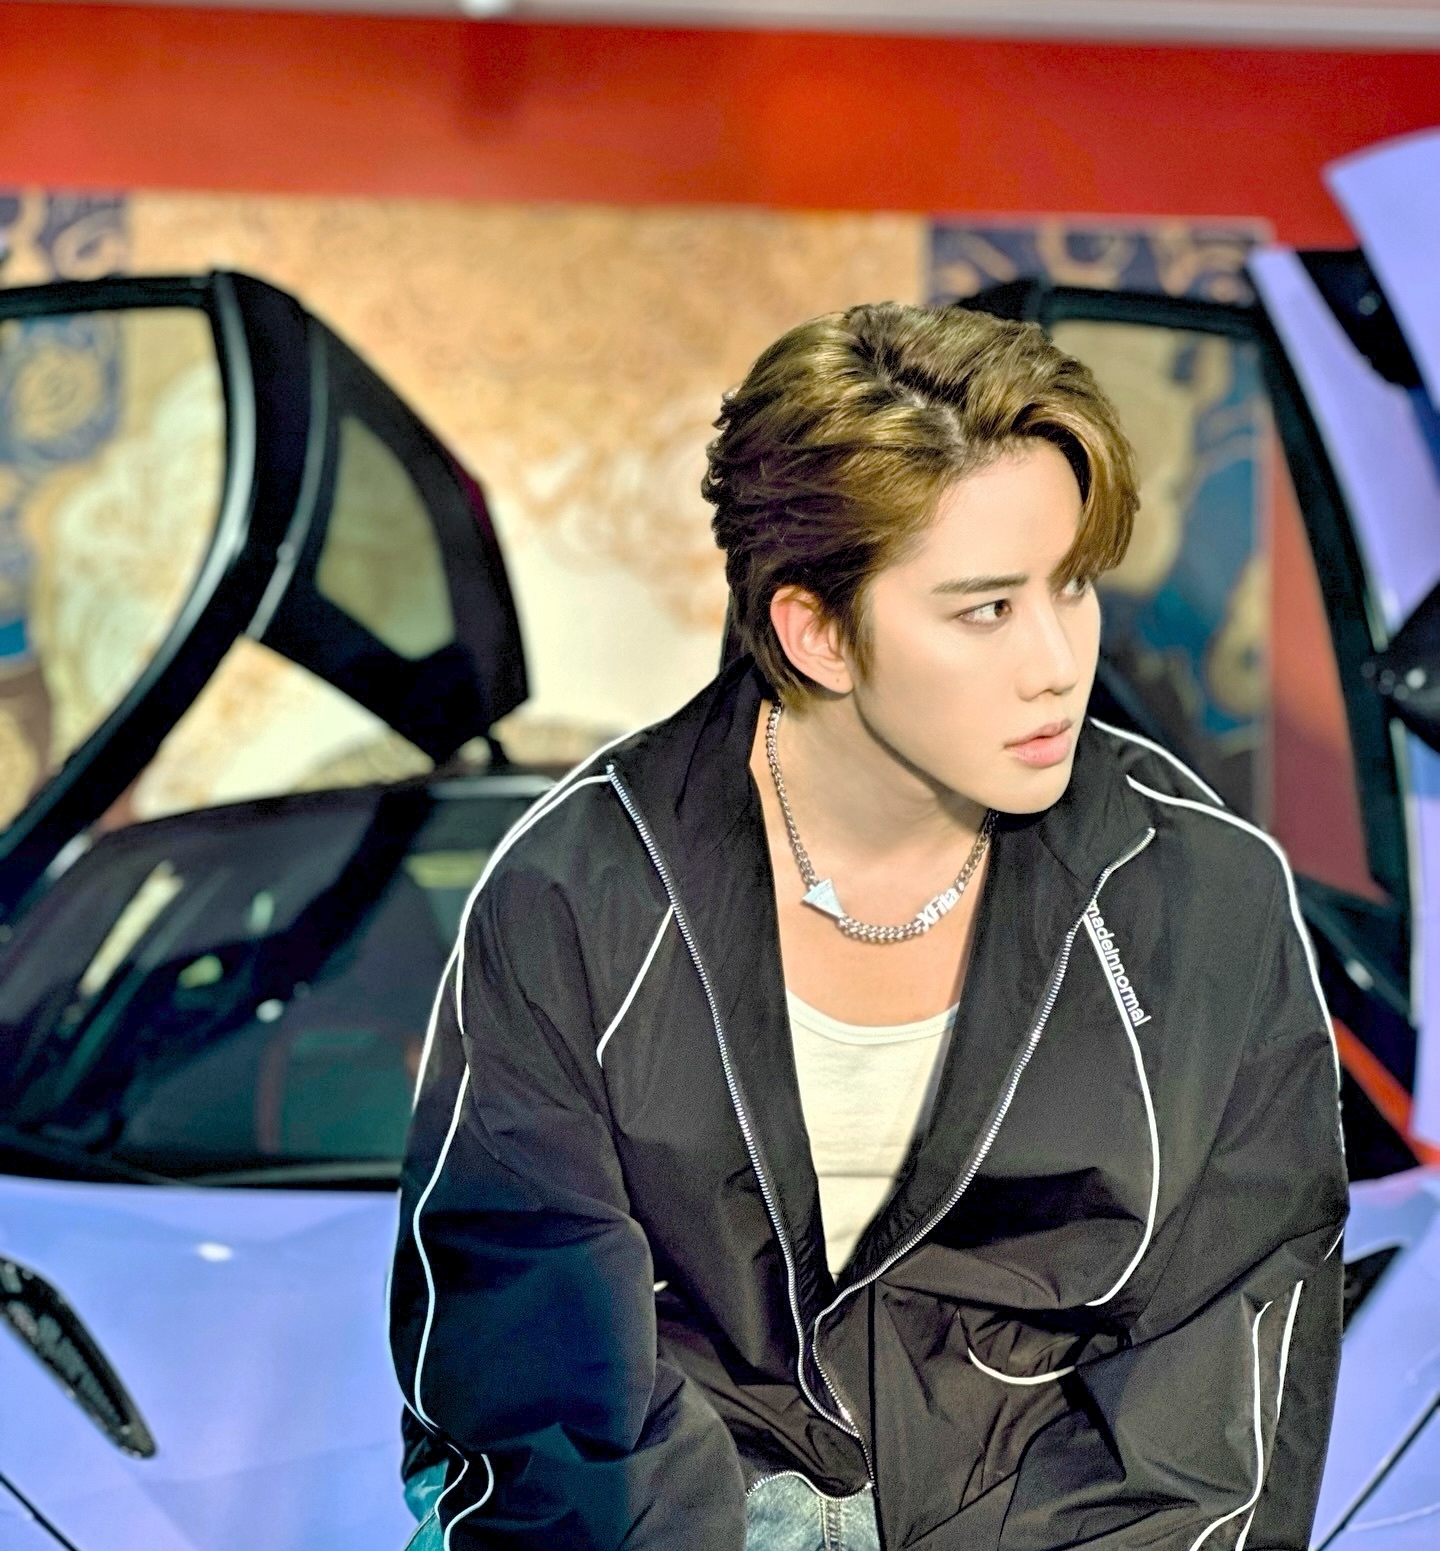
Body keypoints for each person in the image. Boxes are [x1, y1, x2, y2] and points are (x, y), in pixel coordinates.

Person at [390, 303, 1346, 1551]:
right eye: (986, 608)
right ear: (818, 633)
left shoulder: (1207, 900)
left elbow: (1223, 1384)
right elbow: (542, 1380)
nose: (1059, 662)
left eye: (1072, 586)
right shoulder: (577, 891)